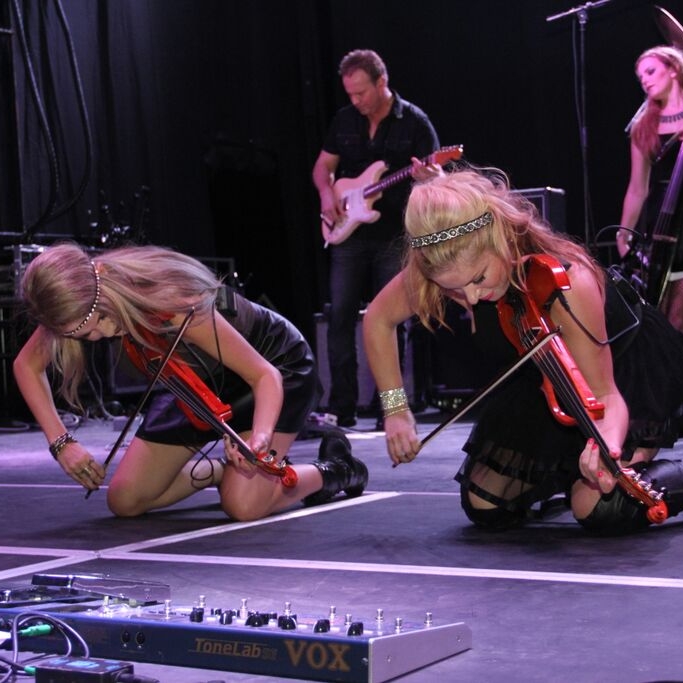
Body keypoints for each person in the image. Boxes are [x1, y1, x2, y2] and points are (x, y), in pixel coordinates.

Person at [363, 166, 683, 534]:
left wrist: (606, 448)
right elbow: (378, 320)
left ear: (500, 238)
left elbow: (604, 393)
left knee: (600, 508)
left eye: (478, 279)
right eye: (452, 290)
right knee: (485, 506)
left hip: (623, 372)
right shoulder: (440, 259)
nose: (470, 299)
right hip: (542, 383)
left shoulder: (568, 282)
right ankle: (565, 476)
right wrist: (396, 411)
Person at [13, 243, 368, 520]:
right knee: (126, 500)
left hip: (274, 367)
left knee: (242, 506)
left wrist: (258, 440)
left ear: (101, 293)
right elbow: (26, 366)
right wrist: (62, 442)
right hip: (194, 384)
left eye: (95, 326)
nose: (96, 338)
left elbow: (264, 375)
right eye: (83, 335)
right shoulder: (79, 302)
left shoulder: (177, 302)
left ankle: (337, 469)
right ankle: (222, 472)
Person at [312, 48, 440, 428]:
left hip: (393, 236)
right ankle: (341, 407)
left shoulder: (415, 122)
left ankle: (392, 408)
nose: (355, 101)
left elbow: (437, 176)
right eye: (350, 94)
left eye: (361, 93)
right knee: (339, 320)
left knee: (392, 322)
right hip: (349, 233)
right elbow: (323, 167)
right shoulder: (344, 120)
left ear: (381, 82)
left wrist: (427, 175)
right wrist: (325, 195)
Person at [618, 45, 683, 331]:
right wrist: (623, 232)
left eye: (650, 71)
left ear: (673, 69)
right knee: (668, 314)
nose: (644, 79)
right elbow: (637, 188)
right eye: (640, 76)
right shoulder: (643, 126)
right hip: (664, 224)